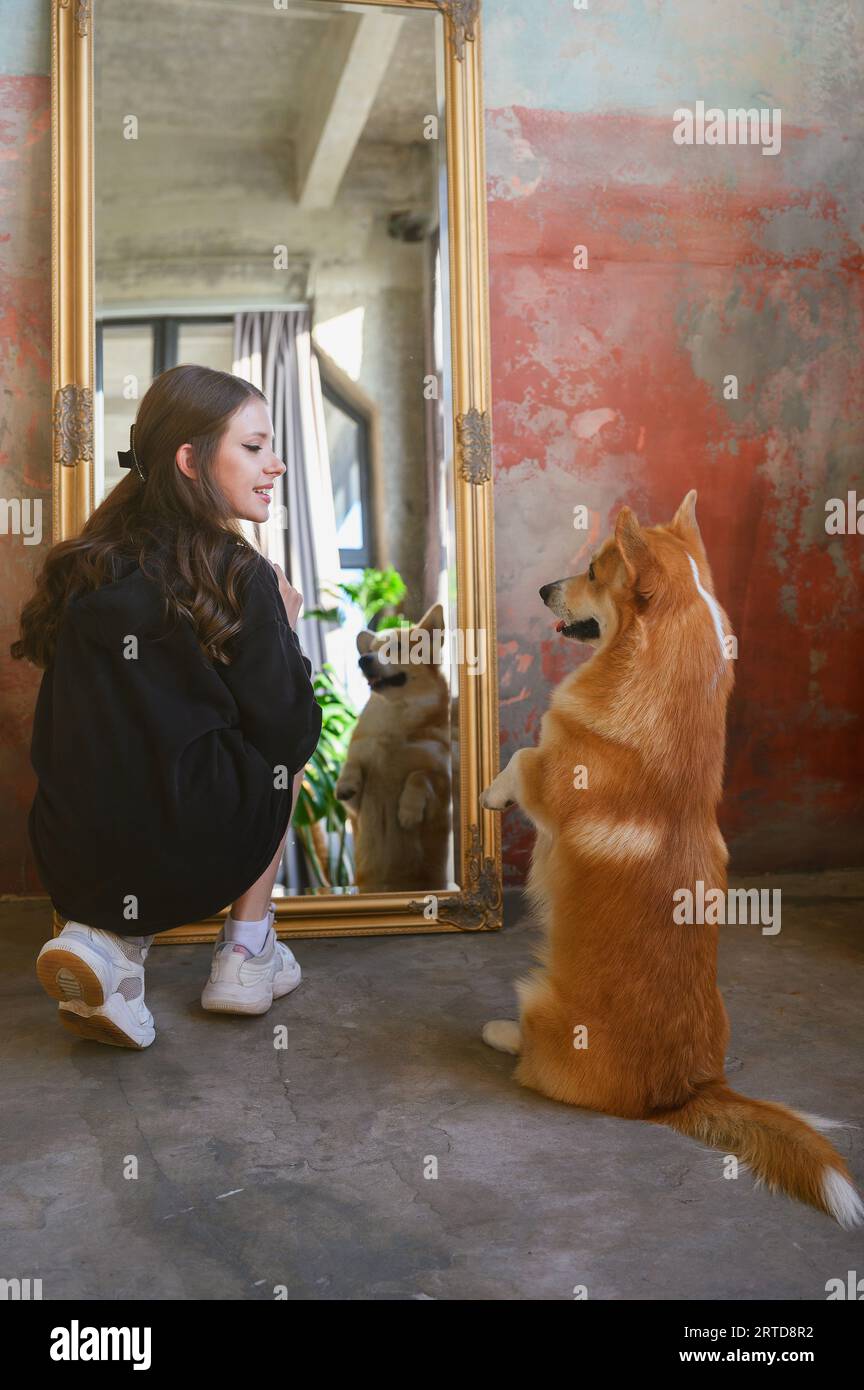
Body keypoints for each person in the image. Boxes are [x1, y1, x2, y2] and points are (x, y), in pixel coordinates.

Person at [11, 364, 323, 1050]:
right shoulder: (241, 572)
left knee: (131, 741)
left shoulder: (85, 561)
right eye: (253, 446)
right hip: (192, 845)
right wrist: (288, 630)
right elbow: (291, 730)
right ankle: (245, 952)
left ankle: (107, 943)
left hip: (69, 844)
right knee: (281, 757)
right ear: (189, 459)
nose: (275, 464)